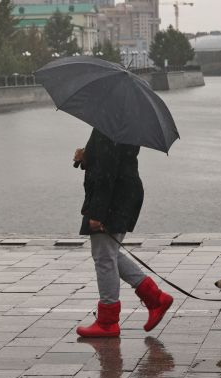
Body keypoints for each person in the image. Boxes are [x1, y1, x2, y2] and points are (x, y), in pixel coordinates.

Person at [74, 128, 173, 337]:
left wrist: (97, 212)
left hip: (113, 199)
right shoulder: (120, 122)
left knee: (104, 257)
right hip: (123, 194)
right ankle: (155, 299)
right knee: (107, 253)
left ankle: (108, 322)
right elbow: (113, 160)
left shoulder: (108, 126)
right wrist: (87, 157)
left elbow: (106, 171)